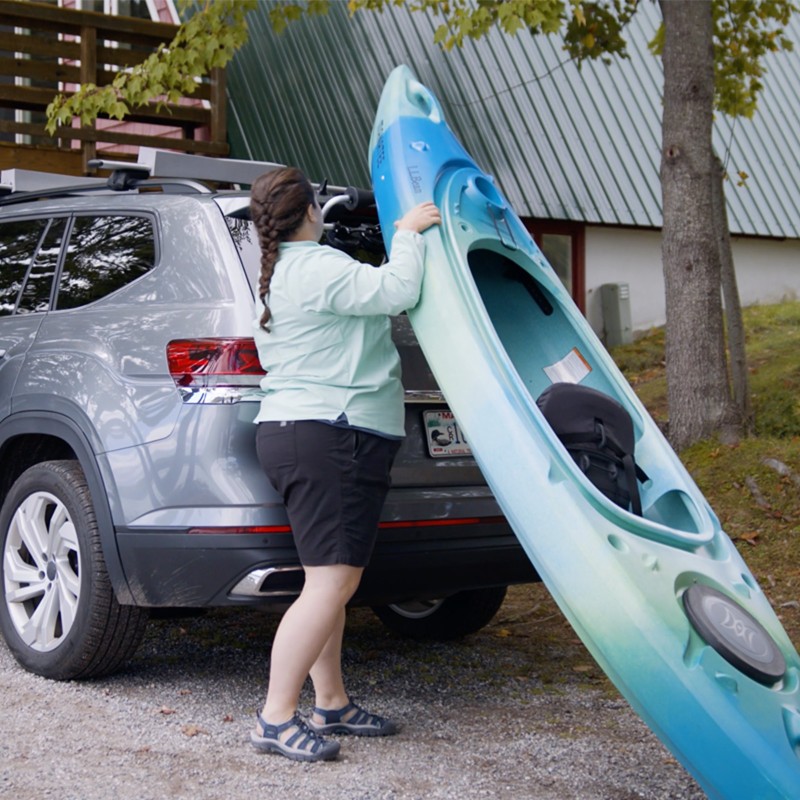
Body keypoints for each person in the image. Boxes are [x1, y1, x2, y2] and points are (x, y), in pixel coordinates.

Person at [249, 166, 441, 762]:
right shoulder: (321, 267)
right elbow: (397, 291)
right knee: (334, 581)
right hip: (333, 434)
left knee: (325, 580)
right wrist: (407, 231)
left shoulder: (282, 274)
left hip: (301, 432)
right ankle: (274, 717)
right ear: (310, 212)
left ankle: (330, 700)